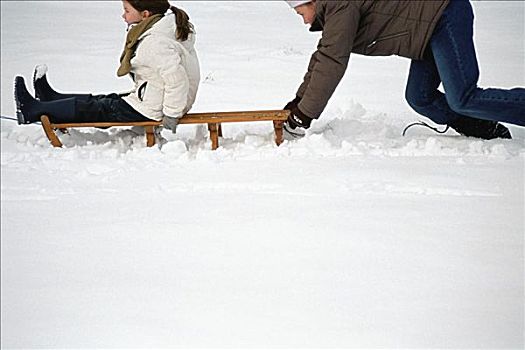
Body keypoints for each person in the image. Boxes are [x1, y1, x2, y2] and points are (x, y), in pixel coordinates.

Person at [283, 0, 525, 140]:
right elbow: (323, 55)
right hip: (427, 29)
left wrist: (304, 113)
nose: (304, 20)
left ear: (311, 1)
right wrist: (299, 101)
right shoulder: (334, 10)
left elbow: (332, 61)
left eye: (301, 12)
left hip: (444, 14)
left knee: (462, 96)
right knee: (420, 97)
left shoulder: (340, 6)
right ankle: (482, 126)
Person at [14, 0, 200, 133]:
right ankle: (51, 99)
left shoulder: (156, 42)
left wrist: (171, 115)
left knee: (98, 108)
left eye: (127, 10)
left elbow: (177, 80)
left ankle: (33, 110)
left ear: (145, 14)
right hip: (153, 99)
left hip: (154, 108)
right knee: (103, 101)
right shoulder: (163, 31)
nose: (123, 15)